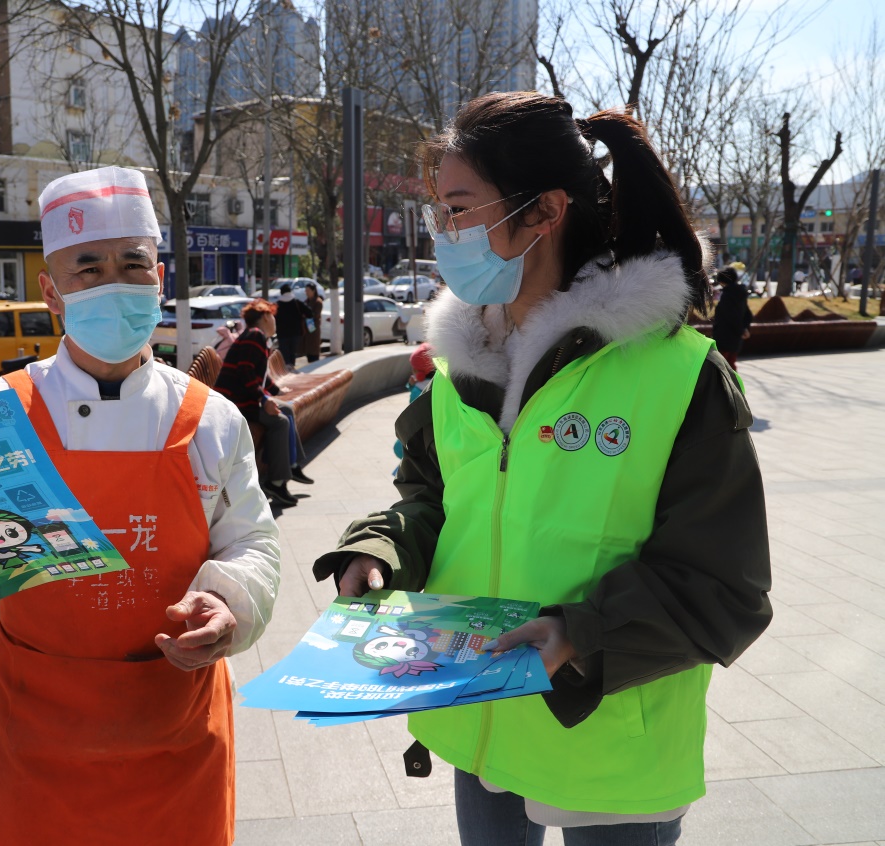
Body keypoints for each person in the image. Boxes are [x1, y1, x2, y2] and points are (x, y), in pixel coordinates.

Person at [311, 92, 771, 845]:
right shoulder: (457, 369)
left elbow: (725, 586)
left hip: (606, 741)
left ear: (544, 212)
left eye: (459, 210)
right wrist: (381, 548)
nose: (443, 235)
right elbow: (431, 499)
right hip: (477, 718)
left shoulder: (679, 375)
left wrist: (578, 633)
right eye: (439, 212)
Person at [0, 166, 281, 846]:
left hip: (178, 734)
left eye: (132, 264)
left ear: (159, 280)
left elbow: (252, 540)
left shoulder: (212, 420)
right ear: (51, 291)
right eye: (87, 268)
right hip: (30, 744)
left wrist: (232, 602)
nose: (113, 283)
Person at [214, 299, 310, 506]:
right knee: (280, 421)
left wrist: (277, 392)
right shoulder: (255, 335)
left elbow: (260, 376)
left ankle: (292, 465)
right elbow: (245, 371)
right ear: (266, 316)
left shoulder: (255, 336)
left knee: (287, 409)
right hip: (234, 404)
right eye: (272, 316)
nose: (274, 320)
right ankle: (276, 482)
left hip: (242, 400)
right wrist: (264, 400)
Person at [712, 266, 752, 370]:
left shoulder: (727, 295)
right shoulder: (741, 293)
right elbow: (748, 314)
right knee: (730, 364)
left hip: (725, 335)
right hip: (736, 337)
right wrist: (744, 329)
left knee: (721, 366)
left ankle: (728, 381)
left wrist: (741, 330)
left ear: (722, 281)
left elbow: (731, 316)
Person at [274, 281, 308, 366]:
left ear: (281, 292)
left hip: (282, 333)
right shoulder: (297, 302)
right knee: (293, 352)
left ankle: (286, 368)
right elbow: (309, 312)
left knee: (284, 354)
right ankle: (292, 367)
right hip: (296, 332)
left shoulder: (277, 305)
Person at [302, 281, 325, 362]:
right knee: (308, 351)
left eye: (308, 290)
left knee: (314, 351)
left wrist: (306, 316)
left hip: (313, 328)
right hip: (306, 330)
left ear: (313, 291)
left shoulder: (318, 302)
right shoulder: (306, 302)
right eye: (306, 290)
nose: (306, 292)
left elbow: (315, 315)